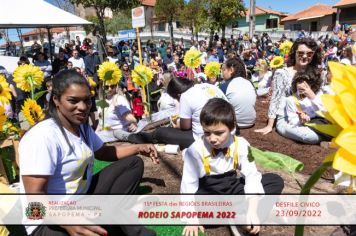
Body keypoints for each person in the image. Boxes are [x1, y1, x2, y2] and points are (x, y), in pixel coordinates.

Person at [19, 69, 158, 236]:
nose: (83, 107)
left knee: (133, 164)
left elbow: (104, 152)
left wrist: (139, 148)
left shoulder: (82, 127)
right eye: (73, 101)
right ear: (56, 100)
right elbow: (34, 199)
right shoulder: (42, 137)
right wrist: (67, 221)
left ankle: (111, 213)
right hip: (47, 221)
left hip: (80, 200)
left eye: (87, 100)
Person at [180, 98, 284, 236]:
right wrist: (191, 219)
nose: (212, 138)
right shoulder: (195, 150)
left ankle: (245, 215)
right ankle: (239, 215)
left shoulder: (241, 144)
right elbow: (188, 186)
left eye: (219, 133)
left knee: (274, 180)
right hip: (209, 192)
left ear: (232, 128)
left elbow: (251, 176)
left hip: (232, 187)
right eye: (207, 132)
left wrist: (252, 210)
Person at [255, 38, 322, 135]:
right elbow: (276, 99)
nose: (304, 56)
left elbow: (320, 99)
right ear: (294, 53)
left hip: (312, 116)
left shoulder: (316, 73)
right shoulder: (282, 73)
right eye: (300, 53)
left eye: (309, 54)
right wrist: (270, 125)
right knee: (309, 136)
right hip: (287, 118)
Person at [277, 67, 326, 144]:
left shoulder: (318, 94)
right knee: (309, 136)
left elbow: (326, 113)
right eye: (299, 81)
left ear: (313, 84)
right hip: (308, 127)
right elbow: (292, 120)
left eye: (307, 82)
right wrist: (301, 120)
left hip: (323, 123)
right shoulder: (291, 99)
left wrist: (312, 97)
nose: (302, 85)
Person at [220, 57, 257, 129]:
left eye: (224, 70)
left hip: (234, 123)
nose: (222, 73)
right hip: (251, 121)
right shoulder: (249, 82)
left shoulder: (226, 85)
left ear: (231, 70)